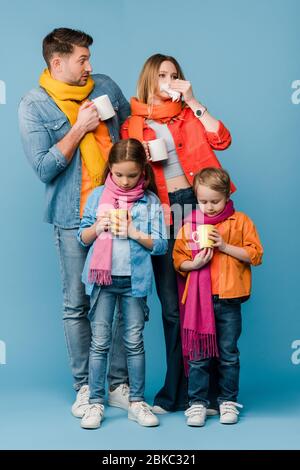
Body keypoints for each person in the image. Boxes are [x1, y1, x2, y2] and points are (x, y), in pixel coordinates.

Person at [18, 28, 131, 417]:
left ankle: (116, 384)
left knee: (118, 297)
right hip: (71, 218)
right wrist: (80, 128)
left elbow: (130, 135)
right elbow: (45, 168)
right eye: (82, 59)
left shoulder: (105, 87)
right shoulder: (34, 106)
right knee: (77, 304)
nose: (89, 66)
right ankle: (85, 386)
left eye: (88, 58)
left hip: (117, 213)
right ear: (57, 62)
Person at [121, 53, 234, 413]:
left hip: (198, 209)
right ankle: (177, 394)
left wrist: (195, 100)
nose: (169, 80)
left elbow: (222, 140)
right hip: (162, 212)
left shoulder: (189, 114)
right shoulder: (132, 125)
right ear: (149, 81)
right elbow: (126, 175)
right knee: (173, 307)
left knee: (207, 300)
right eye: (162, 75)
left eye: (174, 75)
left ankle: (214, 394)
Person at [77, 139, 167, 429]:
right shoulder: (97, 196)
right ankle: (95, 403)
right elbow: (82, 237)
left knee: (134, 343)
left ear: (143, 171)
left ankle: (137, 402)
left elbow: (161, 245)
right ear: (110, 171)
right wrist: (97, 227)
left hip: (134, 283)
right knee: (100, 342)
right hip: (102, 282)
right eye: (119, 174)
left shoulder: (150, 201)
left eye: (132, 175)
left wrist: (133, 231)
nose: (125, 181)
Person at [173, 167, 263, 426]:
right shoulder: (190, 223)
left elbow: (255, 255)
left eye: (215, 201)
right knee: (198, 354)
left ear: (226, 196)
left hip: (229, 300)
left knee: (228, 354)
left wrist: (223, 246)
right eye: (203, 202)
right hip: (198, 303)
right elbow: (178, 258)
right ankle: (197, 403)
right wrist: (194, 264)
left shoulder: (241, 221)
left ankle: (227, 401)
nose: (209, 207)